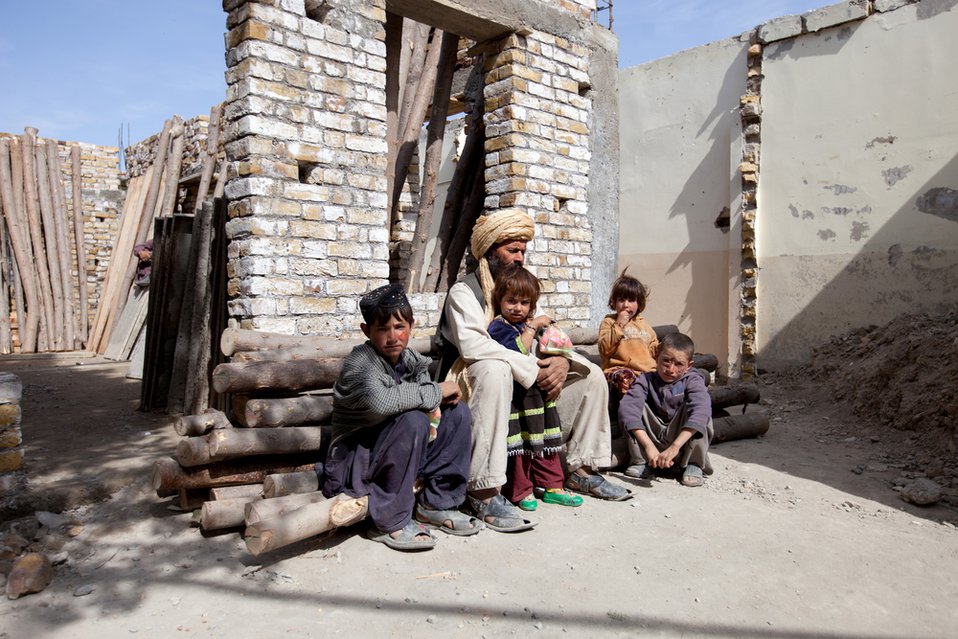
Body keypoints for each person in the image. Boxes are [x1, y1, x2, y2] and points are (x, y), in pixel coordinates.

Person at [437, 209, 630, 534]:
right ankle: (483, 489)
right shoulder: (464, 292)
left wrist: (563, 360)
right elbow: (474, 348)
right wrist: (529, 367)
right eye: (512, 250)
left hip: (524, 390)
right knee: (494, 368)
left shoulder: (521, 289)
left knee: (591, 375)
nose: (519, 257)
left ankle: (580, 469)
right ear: (490, 250)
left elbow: (546, 330)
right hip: (473, 387)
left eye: (523, 251)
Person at [321, 284, 481, 551]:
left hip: (398, 456)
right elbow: (381, 401)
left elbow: (424, 395)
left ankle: (437, 503)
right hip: (357, 462)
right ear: (366, 331)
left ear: (411, 325)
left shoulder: (410, 359)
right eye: (382, 329)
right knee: (413, 419)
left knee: (458, 413)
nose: (392, 336)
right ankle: (390, 520)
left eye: (399, 326)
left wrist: (434, 394)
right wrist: (436, 390)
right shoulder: (360, 363)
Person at [487, 265, 583, 511]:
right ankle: (521, 490)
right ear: (499, 301)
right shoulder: (499, 327)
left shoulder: (526, 325)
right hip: (518, 400)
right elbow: (516, 351)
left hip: (539, 398)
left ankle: (553, 486)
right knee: (519, 446)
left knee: (547, 441)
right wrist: (532, 327)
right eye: (511, 301)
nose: (517, 308)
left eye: (524, 303)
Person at [617, 332, 714, 487]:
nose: (671, 369)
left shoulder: (693, 380)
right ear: (656, 357)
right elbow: (628, 410)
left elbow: (700, 410)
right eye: (666, 361)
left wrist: (675, 447)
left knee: (701, 411)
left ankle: (693, 464)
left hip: (681, 443)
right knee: (631, 407)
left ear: (689, 366)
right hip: (652, 440)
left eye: (679, 364)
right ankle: (642, 460)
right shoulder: (645, 379)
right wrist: (649, 447)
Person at [598, 267, 658, 397]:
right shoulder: (609, 322)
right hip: (620, 371)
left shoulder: (644, 325)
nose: (626, 305)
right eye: (621, 300)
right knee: (624, 379)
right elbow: (604, 349)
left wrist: (663, 348)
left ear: (639, 303)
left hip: (645, 372)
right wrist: (619, 325)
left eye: (631, 300)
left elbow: (653, 350)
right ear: (614, 302)